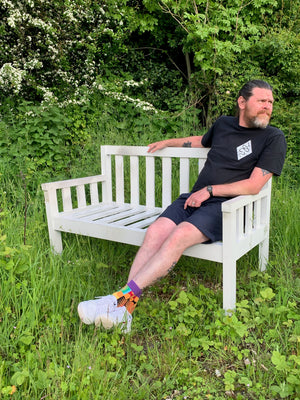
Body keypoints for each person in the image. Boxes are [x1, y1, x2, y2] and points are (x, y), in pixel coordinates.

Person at [77, 79, 287, 333]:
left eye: (270, 102)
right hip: (194, 199)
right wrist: (169, 142)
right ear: (242, 102)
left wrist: (210, 191)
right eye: (262, 100)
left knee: (179, 235)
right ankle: (124, 308)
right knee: (155, 232)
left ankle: (120, 302)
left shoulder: (273, 137)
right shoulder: (223, 124)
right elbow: (201, 140)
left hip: (229, 208)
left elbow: (254, 186)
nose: (268, 106)